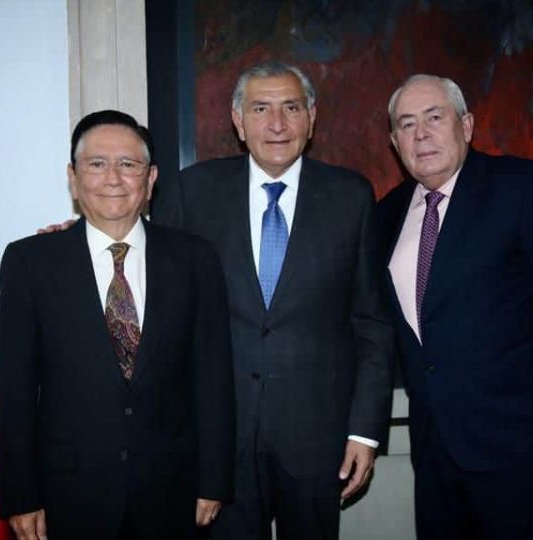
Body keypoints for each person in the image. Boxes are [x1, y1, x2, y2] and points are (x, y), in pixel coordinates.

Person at [154, 61, 394, 540]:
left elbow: (371, 322)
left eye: (291, 108)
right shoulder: (192, 191)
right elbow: (154, 291)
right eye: (261, 109)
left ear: (312, 118)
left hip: (318, 440)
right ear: (238, 121)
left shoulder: (351, 196)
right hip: (220, 440)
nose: (277, 124)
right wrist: (83, 240)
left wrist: (364, 431)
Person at [377, 74, 533, 540]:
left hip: (517, 438)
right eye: (407, 123)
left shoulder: (524, 187)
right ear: (394, 142)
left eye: (434, 117)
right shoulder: (388, 212)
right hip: (432, 443)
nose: (421, 134)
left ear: (466, 125)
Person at [0, 110, 235, 540]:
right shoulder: (30, 263)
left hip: (173, 492)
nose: (113, 178)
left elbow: (213, 379)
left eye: (128, 164)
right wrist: (20, 494)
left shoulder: (195, 260)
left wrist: (213, 481)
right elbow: (13, 390)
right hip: (67, 494)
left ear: (151, 178)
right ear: (73, 177)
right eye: (97, 164)